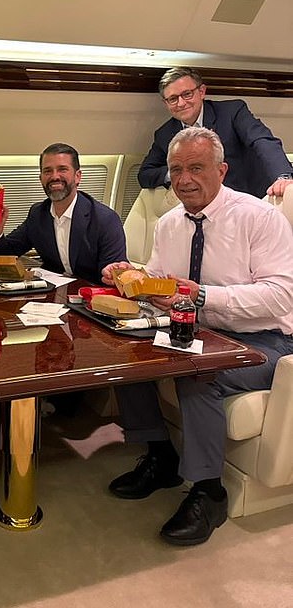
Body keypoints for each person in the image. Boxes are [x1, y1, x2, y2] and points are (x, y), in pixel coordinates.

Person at [102, 127, 293, 545]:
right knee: (127, 357)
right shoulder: (170, 223)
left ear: (221, 170)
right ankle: (160, 456)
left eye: (196, 168)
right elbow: (159, 278)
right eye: (176, 170)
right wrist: (128, 275)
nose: (184, 179)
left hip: (265, 342)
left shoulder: (260, 218)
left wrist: (203, 295)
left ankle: (209, 492)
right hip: (199, 330)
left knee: (197, 372)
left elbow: (281, 296)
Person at [0, 142, 126, 285]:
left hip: (90, 297)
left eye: (62, 169)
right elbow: (6, 257)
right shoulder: (37, 214)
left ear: (78, 177)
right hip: (52, 295)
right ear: (41, 179)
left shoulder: (105, 219)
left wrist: (112, 274)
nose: (54, 176)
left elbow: (113, 274)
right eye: (48, 171)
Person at [138, 66, 293, 199]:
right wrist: (178, 171)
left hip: (249, 198)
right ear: (166, 103)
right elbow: (145, 175)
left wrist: (283, 176)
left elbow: (262, 141)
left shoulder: (232, 112)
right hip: (203, 207)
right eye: (172, 99)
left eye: (187, 94)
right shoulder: (165, 134)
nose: (181, 103)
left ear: (202, 92)